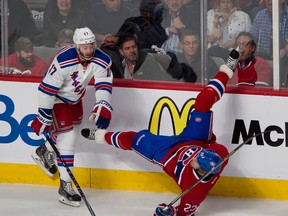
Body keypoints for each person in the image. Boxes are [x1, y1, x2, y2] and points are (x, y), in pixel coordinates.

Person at [81, 48, 241, 216]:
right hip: (196, 140)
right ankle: (227, 70)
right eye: (199, 156)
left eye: (196, 161)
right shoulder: (220, 153)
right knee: (202, 102)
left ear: (203, 171)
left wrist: (167, 212)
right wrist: (203, 146)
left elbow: (183, 213)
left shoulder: (195, 193)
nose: (195, 157)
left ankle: (102, 136)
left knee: (136, 139)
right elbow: (210, 147)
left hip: (168, 154)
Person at [30, 27, 113, 207]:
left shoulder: (101, 59)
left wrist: (103, 104)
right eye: (85, 47)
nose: (89, 50)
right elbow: (46, 90)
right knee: (68, 139)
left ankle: (44, 150)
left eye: (91, 46)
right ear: (76, 46)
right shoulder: (63, 59)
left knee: (71, 132)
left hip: (76, 99)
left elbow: (103, 83)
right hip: (57, 99)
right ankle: (65, 187)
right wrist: (44, 116)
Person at [116, 34, 196, 82]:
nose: (132, 50)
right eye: (127, 48)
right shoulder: (118, 66)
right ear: (121, 52)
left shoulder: (148, 61)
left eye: (134, 47)